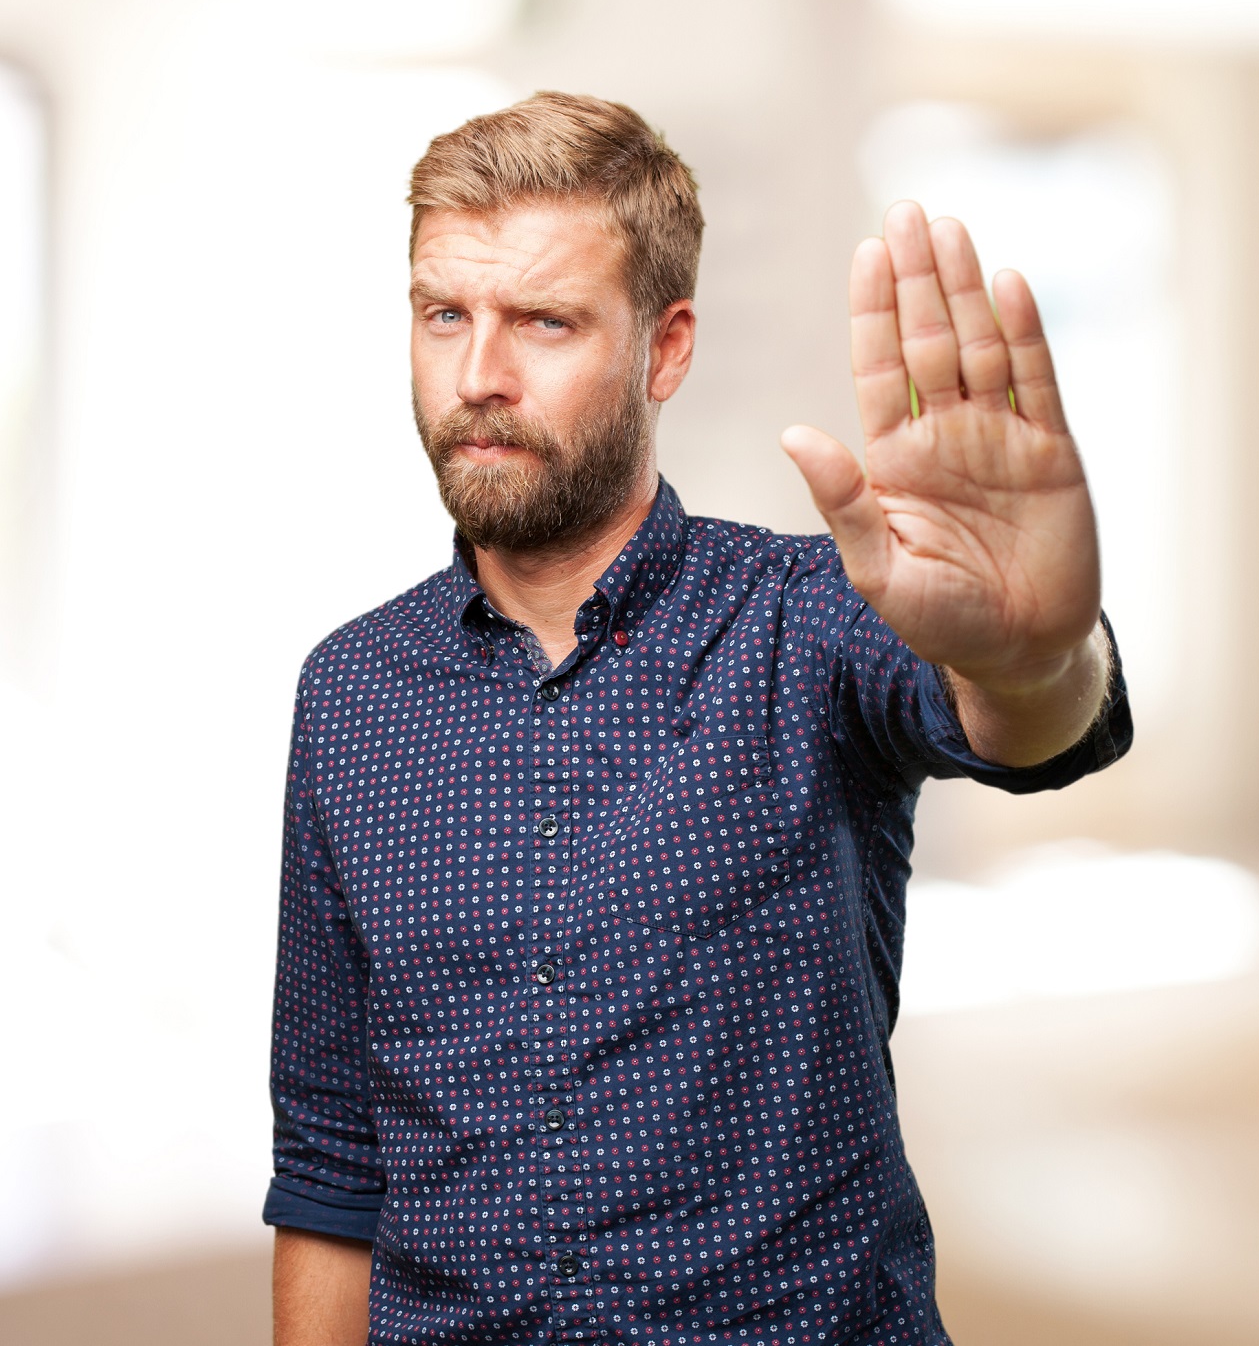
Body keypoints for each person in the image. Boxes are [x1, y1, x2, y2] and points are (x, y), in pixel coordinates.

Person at [263, 91, 1130, 1345]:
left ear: (666, 349)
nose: (478, 376)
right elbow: (334, 1157)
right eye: (444, 313)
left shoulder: (806, 623)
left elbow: (1027, 721)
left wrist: (1038, 650)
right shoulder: (352, 691)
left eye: (545, 322)